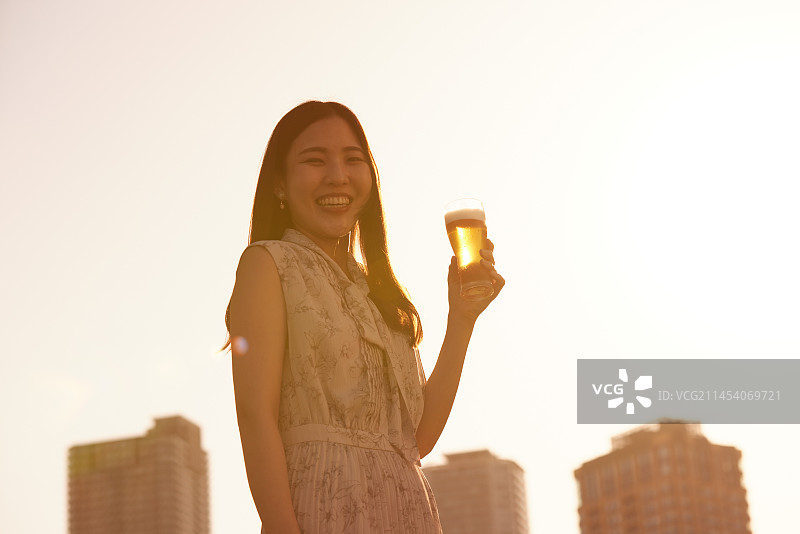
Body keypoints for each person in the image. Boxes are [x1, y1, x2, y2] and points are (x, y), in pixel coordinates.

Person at [223, 101, 504, 533]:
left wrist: (461, 319)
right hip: (322, 509)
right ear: (280, 183)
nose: (338, 174)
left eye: (353, 160)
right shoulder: (269, 263)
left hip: (408, 512)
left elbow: (417, 440)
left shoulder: (378, 294)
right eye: (315, 160)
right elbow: (254, 416)